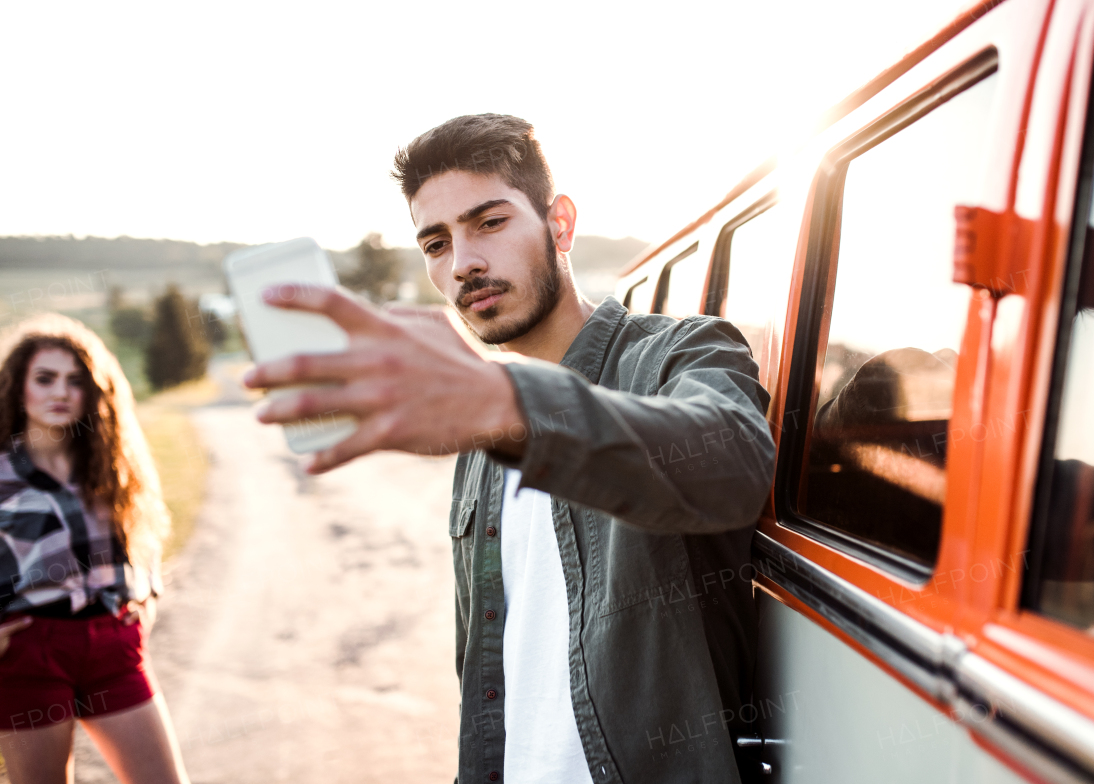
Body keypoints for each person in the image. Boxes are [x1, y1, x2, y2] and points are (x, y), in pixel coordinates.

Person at [245, 114, 776, 783]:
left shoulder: (680, 351)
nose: (463, 261)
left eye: (489, 222)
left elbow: (731, 466)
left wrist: (508, 404)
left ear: (560, 224)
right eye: (436, 243)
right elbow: (488, 670)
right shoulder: (483, 429)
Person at [0, 314, 188, 784]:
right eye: (45, 379)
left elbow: (140, 531)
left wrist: (147, 591)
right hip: (30, 651)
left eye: (75, 381)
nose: (60, 392)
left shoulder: (108, 458)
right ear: (18, 387)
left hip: (112, 643)